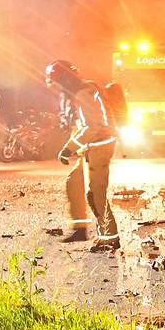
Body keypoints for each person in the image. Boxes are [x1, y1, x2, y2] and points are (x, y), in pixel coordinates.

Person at [44, 60, 119, 251]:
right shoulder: (77, 93)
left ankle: (110, 237)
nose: (56, 87)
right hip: (89, 147)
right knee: (74, 183)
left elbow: (92, 126)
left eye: (56, 82)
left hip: (99, 146)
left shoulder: (83, 93)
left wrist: (69, 148)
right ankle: (80, 228)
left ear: (64, 79)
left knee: (95, 193)